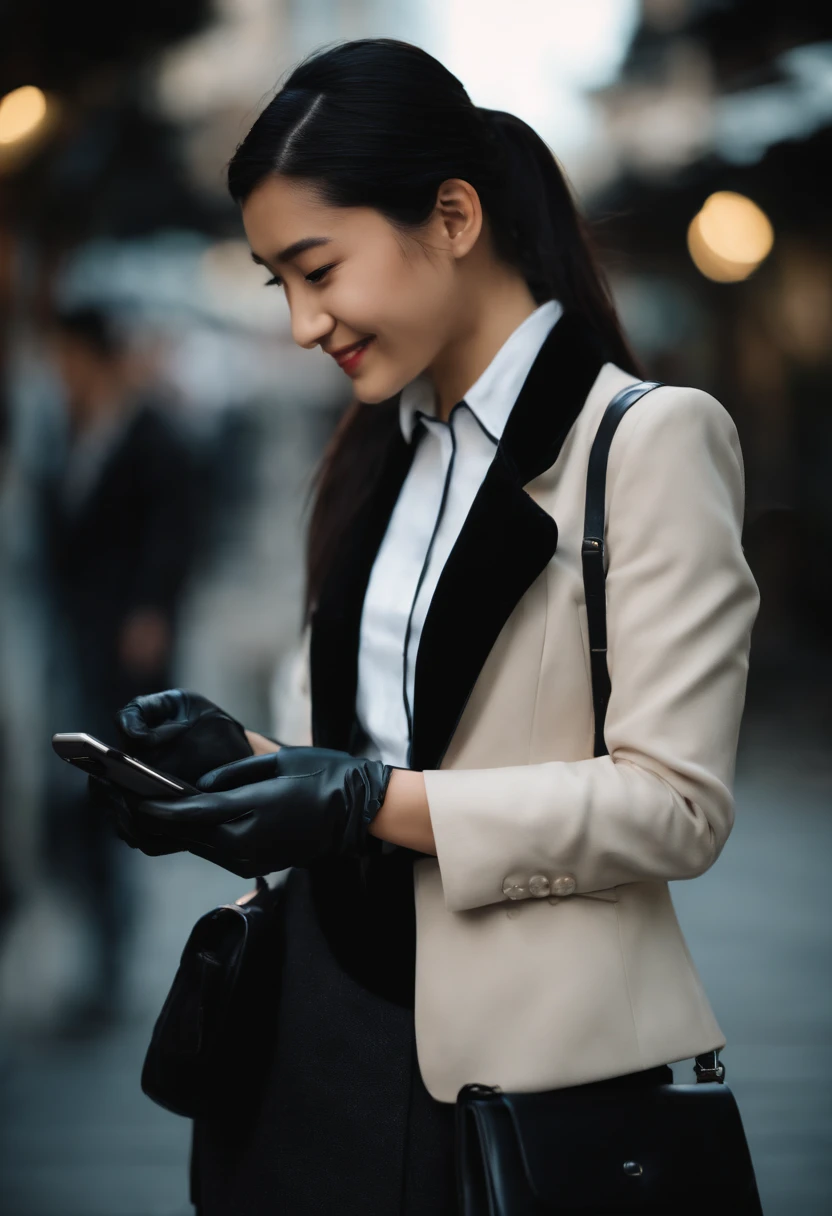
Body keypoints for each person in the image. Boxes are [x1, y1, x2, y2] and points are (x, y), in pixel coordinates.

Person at [93, 38, 760, 1214]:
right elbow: (359, 746)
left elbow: (676, 804)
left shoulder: (645, 441)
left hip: (513, 1077)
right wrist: (227, 765)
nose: (304, 322)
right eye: (277, 284)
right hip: (310, 1039)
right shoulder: (380, 448)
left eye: (318, 267)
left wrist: (366, 803)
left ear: (452, 215)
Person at [41, 305, 198, 1027]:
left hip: (120, 649)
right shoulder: (69, 432)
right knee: (74, 799)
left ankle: (108, 955)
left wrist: (151, 610)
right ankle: (96, 942)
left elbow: (173, 532)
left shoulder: (150, 432)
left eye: (66, 358)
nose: (57, 375)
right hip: (71, 638)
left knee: (101, 793)